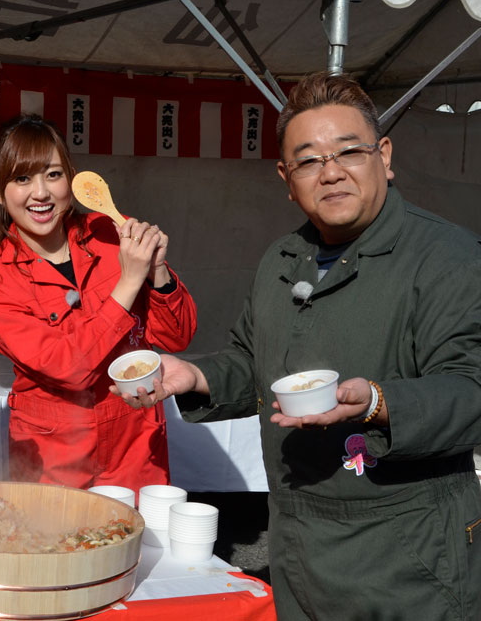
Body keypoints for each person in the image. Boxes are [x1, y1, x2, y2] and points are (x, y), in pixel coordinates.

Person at [124, 72, 481, 619]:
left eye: (348, 152)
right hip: (296, 545)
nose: (331, 172)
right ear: (286, 179)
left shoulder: (445, 257)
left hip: (408, 557)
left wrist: (379, 403)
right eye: (309, 160)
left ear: (384, 156)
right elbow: (253, 359)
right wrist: (196, 378)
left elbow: (470, 388)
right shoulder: (282, 260)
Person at [0, 115, 197, 490]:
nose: (41, 193)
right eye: (22, 179)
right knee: (57, 544)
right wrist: (131, 280)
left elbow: (177, 336)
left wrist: (157, 272)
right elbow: (70, 369)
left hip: (134, 437)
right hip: (52, 452)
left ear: (71, 178)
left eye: (53, 175)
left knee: (137, 544)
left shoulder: (109, 234)